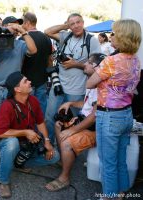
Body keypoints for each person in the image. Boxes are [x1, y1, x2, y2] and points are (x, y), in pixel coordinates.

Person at [87, 19, 141, 199]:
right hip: (126, 114)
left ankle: (109, 196)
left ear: (124, 37)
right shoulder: (135, 60)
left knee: (108, 163)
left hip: (109, 117)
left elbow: (90, 83)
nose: (112, 36)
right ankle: (121, 193)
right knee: (120, 160)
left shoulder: (111, 61)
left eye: (115, 33)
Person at [45, 53, 105, 191]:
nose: (86, 64)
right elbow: (87, 105)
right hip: (86, 121)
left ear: (96, 67)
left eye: (89, 63)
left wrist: (73, 129)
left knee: (66, 140)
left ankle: (64, 178)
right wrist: (70, 102)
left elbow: (95, 115)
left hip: (95, 129)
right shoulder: (92, 81)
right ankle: (64, 160)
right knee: (58, 125)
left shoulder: (101, 86)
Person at [0, 72, 59, 198]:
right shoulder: (7, 106)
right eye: (25, 81)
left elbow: (40, 122)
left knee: (55, 156)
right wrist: (25, 132)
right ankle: (3, 180)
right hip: (9, 141)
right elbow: (0, 133)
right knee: (12, 144)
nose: (30, 82)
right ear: (17, 89)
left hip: (29, 143)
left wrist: (47, 142)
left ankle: (18, 163)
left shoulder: (33, 100)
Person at [44, 13, 101, 144]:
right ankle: (50, 145)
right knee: (50, 116)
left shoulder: (91, 40)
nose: (76, 26)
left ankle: (67, 148)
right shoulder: (66, 36)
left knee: (72, 121)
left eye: (78, 22)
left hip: (77, 89)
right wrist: (66, 26)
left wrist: (76, 64)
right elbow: (47, 31)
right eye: (72, 23)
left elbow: (97, 66)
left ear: (83, 22)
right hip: (58, 85)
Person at [0, 16, 37, 160]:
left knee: (13, 120)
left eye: (17, 25)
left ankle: (10, 147)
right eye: (12, 25)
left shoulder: (20, 44)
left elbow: (33, 50)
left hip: (13, 90)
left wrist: (23, 31)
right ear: (4, 26)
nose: (15, 28)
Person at [20, 12, 53, 114]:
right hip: (42, 79)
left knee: (28, 108)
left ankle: (30, 129)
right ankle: (40, 128)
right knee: (41, 107)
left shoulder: (24, 38)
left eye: (22, 23)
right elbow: (50, 59)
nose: (21, 25)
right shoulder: (47, 38)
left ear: (27, 23)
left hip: (27, 80)